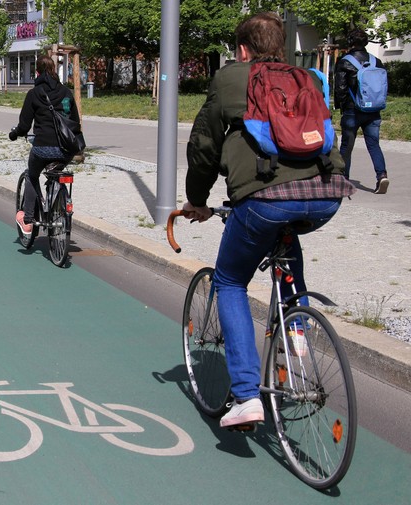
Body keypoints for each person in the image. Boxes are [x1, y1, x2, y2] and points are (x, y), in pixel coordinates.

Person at [183, 12, 355, 429]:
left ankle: (246, 397)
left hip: (264, 199)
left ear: (241, 49)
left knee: (230, 281)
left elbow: (204, 145)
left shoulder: (230, 79)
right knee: (286, 239)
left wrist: (198, 200)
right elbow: (328, 133)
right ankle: (296, 333)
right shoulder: (309, 79)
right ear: (282, 46)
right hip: (325, 196)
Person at [9, 55, 81, 236]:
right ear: (54, 70)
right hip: (66, 149)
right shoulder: (66, 92)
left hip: (42, 147)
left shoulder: (34, 94)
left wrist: (14, 133)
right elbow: (75, 122)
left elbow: (24, 126)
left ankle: (28, 220)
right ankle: (58, 202)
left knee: (32, 175)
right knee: (56, 171)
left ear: (37, 72)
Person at [334, 28, 389, 194]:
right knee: (373, 144)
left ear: (350, 42)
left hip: (353, 110)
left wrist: (341, 107)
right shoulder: (376, 61)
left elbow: (340, 88)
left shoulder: (345, 61)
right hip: (373, 110)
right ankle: (382, 176)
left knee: (347, 146)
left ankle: (343, 181)